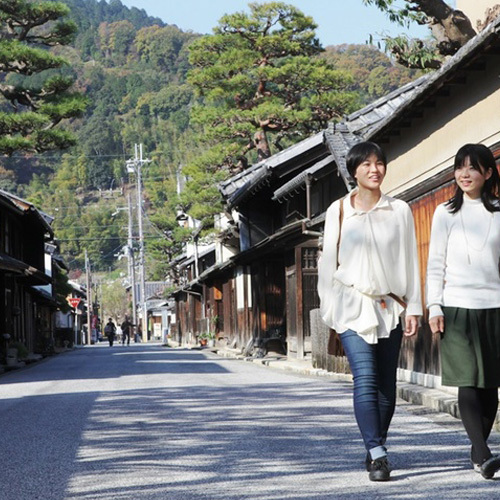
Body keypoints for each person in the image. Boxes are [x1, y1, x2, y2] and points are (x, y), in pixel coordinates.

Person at [318, 141, 422, 482]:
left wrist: (414, 308)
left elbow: (412, 260)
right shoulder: (339, 210)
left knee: (386, 386)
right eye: (366, 164)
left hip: (390, 305)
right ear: (353, 171)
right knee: (365, 377)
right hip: (351, 303)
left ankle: (373, 443)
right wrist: (329, 308)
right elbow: (327, 263)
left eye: (379, 163)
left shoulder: (400, 210)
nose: (374, 169)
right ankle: (378, 455)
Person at [426, 143, 500, 480]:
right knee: (467, 380)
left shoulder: (499, 211)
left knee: (490, 384)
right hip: (455, 307)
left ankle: (477, 453)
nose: (465, 173)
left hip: (495, 307)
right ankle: (485, 454)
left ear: (487, 172)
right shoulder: (445, 213)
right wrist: (433, 305)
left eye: (473, 167)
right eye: (460, 167)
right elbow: (434, 264)